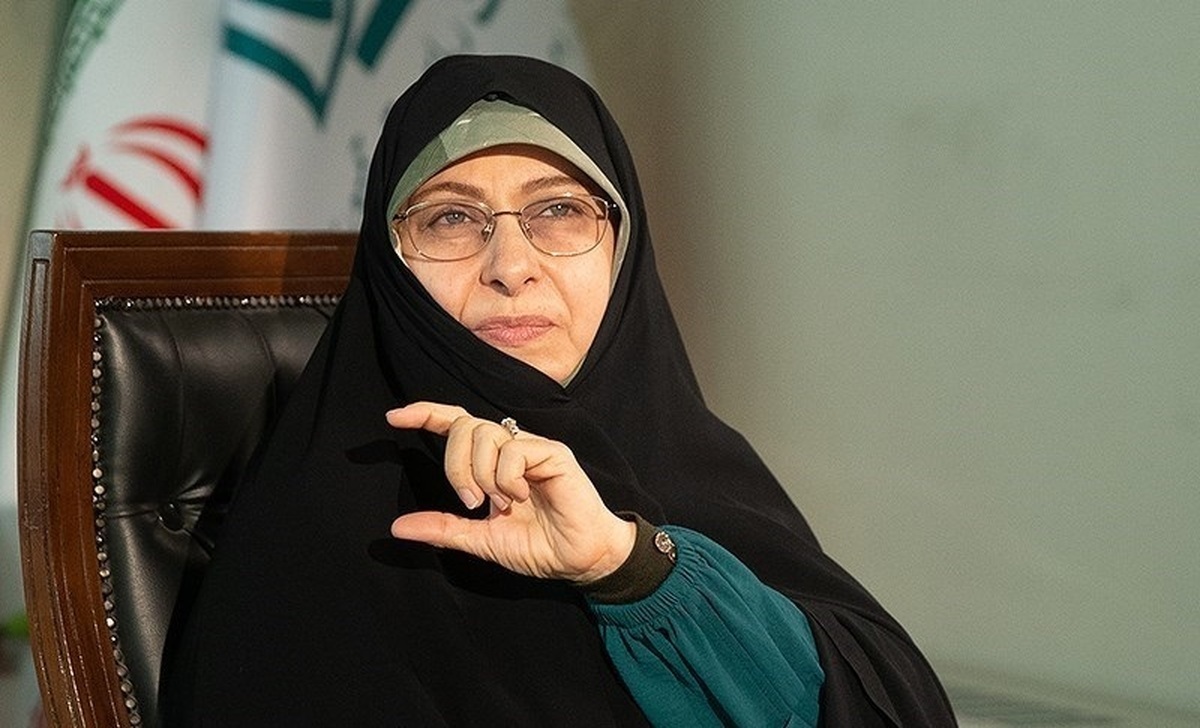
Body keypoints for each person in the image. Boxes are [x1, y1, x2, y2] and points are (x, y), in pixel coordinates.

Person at [165, 55, 956, 726]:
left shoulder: (698, 464)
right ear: (390, 263)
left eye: (559, 210)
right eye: (450, 219)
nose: (512, 266)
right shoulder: (325, 529)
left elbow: (881, 705)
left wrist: (629, 568)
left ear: (623, 248)